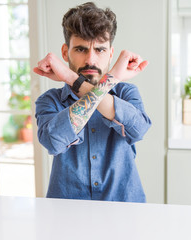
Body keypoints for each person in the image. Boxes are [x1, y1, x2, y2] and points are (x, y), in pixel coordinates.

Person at [33, 2, 151, 203]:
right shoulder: (49, 101)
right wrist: (112, 76)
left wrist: (73, 79)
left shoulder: (127, 92)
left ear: (111, 54)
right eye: (80, 49)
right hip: (67, 214)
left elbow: (138, 129)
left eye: (100, 50)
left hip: (125, 211)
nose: (90, 60)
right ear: (65, 52)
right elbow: (53, 142)